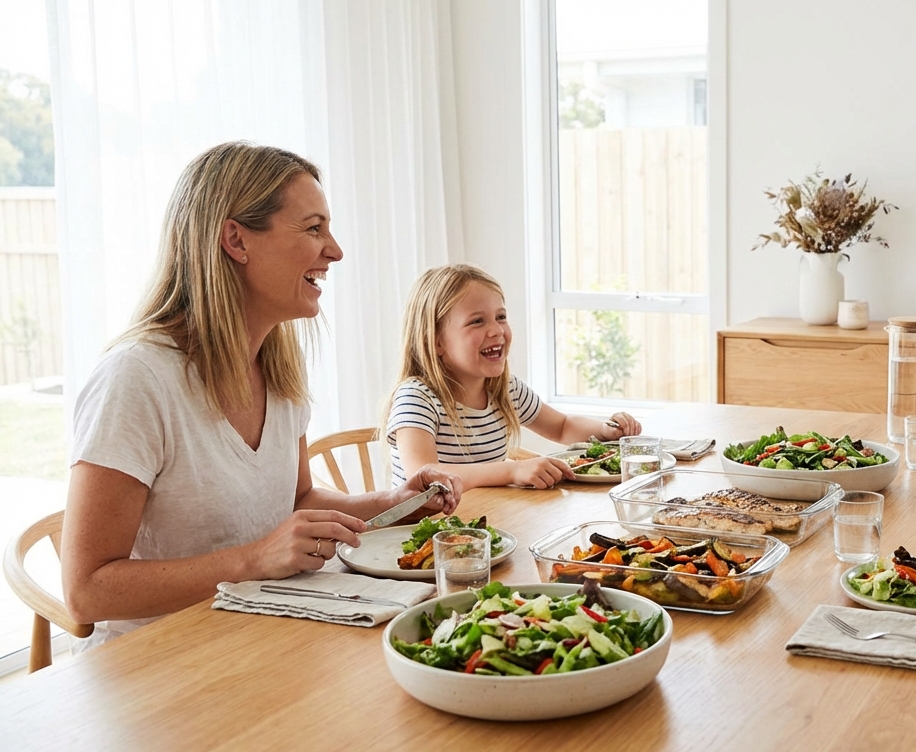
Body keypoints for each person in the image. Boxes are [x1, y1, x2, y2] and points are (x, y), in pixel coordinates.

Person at [62, 142, 465, 650]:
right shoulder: (136, 378)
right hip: (158, 669)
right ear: (236, 239)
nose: (335, 250)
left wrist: (393, 503)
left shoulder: (276, 367)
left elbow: (297, 500)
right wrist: (252, 560)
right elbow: (86, 591)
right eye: (313, 228)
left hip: (265, 639)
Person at [386, 264, 642, 490]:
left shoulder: (504, 388)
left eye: (501, 317)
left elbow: (561, 426)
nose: (496, 330)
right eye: (477, 321)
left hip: (481, 522)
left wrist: (604, 431)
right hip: (418, 534)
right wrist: (512, 470)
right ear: (436, 341)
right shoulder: (417, 398)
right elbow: (425, 476)